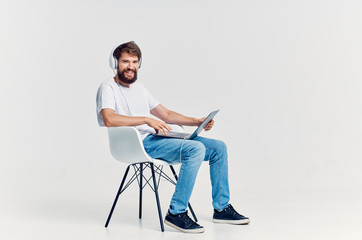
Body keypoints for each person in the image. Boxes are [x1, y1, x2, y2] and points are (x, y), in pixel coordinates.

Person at [96, 41, 250, 233]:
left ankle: (221, 208)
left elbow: (166, 115)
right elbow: (109, 119)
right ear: (115, 63)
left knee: (218, 147)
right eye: (125, 61)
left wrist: (197, 121)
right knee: (195, 149)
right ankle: (176, 213)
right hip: (138, 144)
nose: (130, 66)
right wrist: (146, 119)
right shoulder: (107, 87)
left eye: (135, 62)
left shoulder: (140, 89)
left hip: (159, 139)